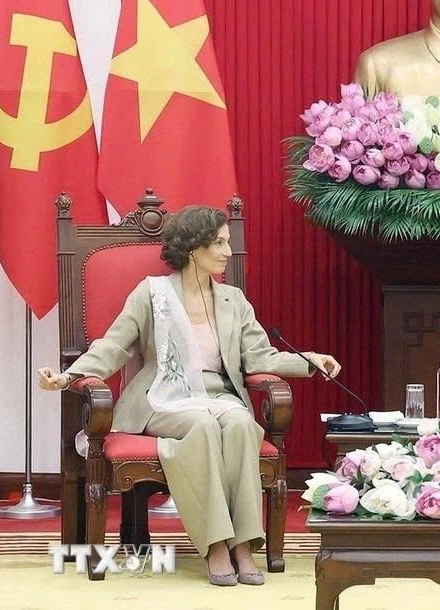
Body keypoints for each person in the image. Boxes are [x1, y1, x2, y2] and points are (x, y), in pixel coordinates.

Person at [37, 206, 341, 586]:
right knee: (202, 426)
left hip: (220, 396)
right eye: (219, 243)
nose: (228, 251)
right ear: (193, 248)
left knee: (241, 424)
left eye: (228, 242)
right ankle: (216, 544)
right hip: (164, 397)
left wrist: (310, 360)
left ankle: (243, 545)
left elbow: (260, 356)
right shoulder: (153, 293)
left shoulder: (234, 300)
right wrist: (68, 377)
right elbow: (113, 347)